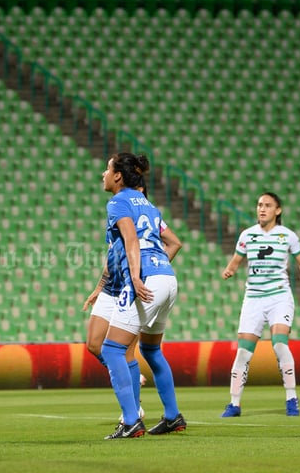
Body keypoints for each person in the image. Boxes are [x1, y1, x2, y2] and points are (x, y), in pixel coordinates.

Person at [98, 153, 185, 439]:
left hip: (146, 279)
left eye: (107, 169)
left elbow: (131, 239)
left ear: (118, 176)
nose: (104, 174)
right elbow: (175, 242)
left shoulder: (118, 202)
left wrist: (136, 276)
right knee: (150, 349)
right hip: (167, 278)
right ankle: (172, 416)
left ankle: (131, 421)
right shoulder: (148, 205)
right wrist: (157, 270)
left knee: (111, 349)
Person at [220, 192, 300, 418]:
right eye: (259, 205)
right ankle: (234, 404)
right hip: (253, 298)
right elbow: (236, 259)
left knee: (279, 344)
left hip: (279, 296)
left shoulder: (287, 236)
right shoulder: (247, 235)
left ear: (277, 210)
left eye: (267, 205)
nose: (262, 209)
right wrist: (230, 269)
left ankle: (292, 398)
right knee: (243, 352)